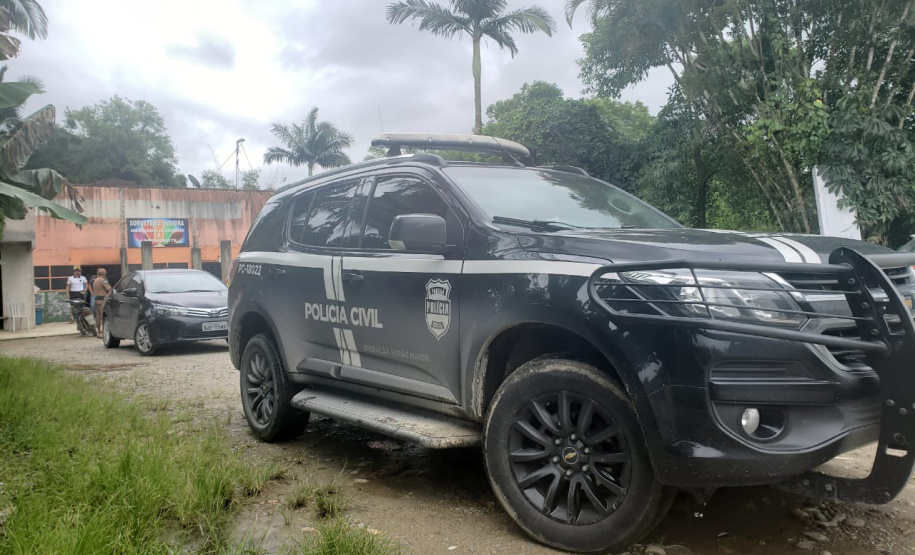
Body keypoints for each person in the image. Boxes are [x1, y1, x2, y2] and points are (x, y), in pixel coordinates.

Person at [90, 268, 112, 335]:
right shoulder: (103, 280)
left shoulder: (95, 280)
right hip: (102, 300)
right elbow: (109, 289)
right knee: (105, 316)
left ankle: (99, 331)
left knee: (98, 316)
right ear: (104, 274)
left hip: (96, 299)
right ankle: (105, 331)